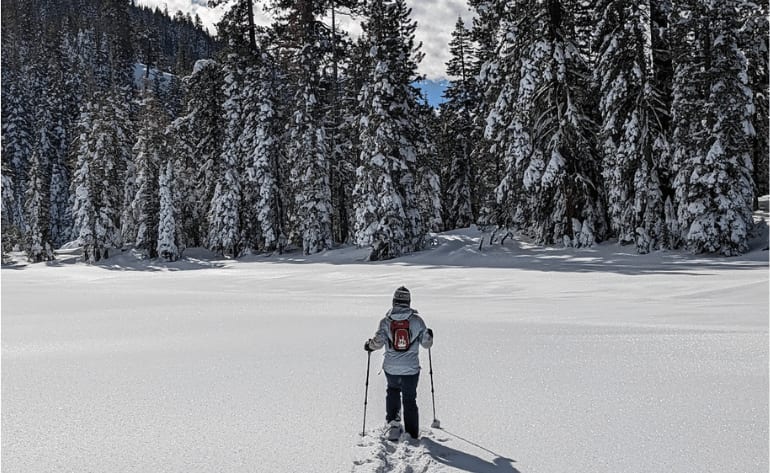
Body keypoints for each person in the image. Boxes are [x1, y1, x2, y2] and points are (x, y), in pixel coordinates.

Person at [364, 286, 433, 439]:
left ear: (394, 301)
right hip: (411, 369)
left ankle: (393, 425)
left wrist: (369, 345)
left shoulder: (386, 321)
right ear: (408, 302)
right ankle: (412, 432)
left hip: (391, 367)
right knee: (410, 398)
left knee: (393, 391)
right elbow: (426, 344)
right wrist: (430, 336)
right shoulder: (417, 320)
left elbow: (378, 342)